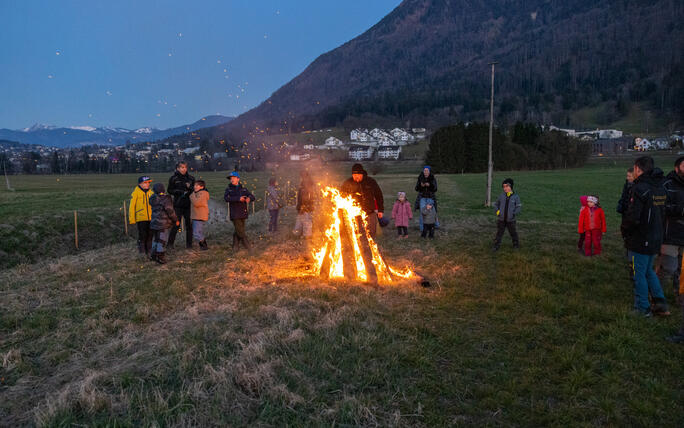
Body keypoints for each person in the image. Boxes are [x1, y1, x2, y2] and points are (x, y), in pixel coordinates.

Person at [621, 156, 669, 316]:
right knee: (648, 271)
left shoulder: (641, 188)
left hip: (641, 239)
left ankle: (643, 308)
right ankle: (660, 303)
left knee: (638, 273)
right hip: (656, 237)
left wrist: (625, 230)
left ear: (637, 168)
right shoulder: (660, 187)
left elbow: (634, 216)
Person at [658, 156, 684, 297]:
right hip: (670, 234)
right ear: (676, 168)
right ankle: (656, 296)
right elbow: (661, 207)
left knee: (683, 270)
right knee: (668, 268)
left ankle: (680, 295)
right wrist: (680, 210)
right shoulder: (666, 184)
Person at [340, 163, 384, 238]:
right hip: (355, 214)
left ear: (362, 174)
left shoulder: (370, 182)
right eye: (354, 175)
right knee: (357, 234)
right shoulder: (347, 183)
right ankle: (358, 249)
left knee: (371, 234)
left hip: (369, 212)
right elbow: (341, 197)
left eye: (358, 175)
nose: (356, 177)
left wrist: (380, 210)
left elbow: (378, 195)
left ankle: (370, 248)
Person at [223, 171, 255, 251]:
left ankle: (235, 246)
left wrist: (249, 198)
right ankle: (248, 247)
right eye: (230, 178)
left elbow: (252, 196)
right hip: (235, 213)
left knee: (239, 230)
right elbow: (226, 198)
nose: (232, 179)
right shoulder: (229, 189)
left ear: (238, 179)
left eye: (233, 178)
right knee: (240, 231)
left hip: (243, 212)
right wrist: (238, 199)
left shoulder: (244, 189)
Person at [167, 161, 195, 249]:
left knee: (189, 225)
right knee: (176, 224)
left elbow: (194, 190)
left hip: (188, 204)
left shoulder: (191, 178)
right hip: (178, 204)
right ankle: (170, 244)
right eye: (182, 167)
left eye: (185, 167)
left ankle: (189, 245)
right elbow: (169, 190)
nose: (184, 169)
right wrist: (178, 192)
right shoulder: (173, 178)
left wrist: (189, 188)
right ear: (178, 168)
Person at [149, 183, 179, 264]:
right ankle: (160, 256)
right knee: (162, 240)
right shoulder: (166, 199)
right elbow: (170, 211)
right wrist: (175, 220)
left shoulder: (152, 198)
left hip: (154, 223)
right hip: (163, 223)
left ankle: (153, 255)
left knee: (156, 239)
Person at [493, 178, 521, 251]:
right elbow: (496, 204)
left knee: (513, 233)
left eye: (507, 186)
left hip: (511, 220)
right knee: (499, 233)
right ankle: (496, 245)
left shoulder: (516, 197)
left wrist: (513, 214)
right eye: (504, 186)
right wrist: (497, 212)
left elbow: (518, 207)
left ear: (511, 186)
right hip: (501, 219)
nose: (505, 188)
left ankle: (516, 245)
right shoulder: (501, 196)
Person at [129, 176, 153, 256]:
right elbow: (132, 207)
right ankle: (142, 251)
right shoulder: (136, 193)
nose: (147, 184)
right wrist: (132, 219)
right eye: (145, 183)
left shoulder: (151, 193)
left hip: (151, 218)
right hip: (141, 218)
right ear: (140, 184)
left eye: (148, 182)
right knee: (142, 235)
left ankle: (149, 250)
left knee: (150, 234)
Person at [415, 166, 439, 232]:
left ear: (429, 171)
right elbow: (416, 188)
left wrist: (430, 185)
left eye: (427, 171)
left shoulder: (432, 178)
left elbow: (435, 189)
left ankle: (436, 225)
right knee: (422, 212)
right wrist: (420, 185)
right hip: (422, 198)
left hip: (430, 198)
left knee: (432, 212)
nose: (426, 172)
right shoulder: (420, 178)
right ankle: (422, 228)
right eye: (424, 170)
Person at [294, 171, 316, 239]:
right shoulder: (307, 183)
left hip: (306, 206)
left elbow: (305, 196)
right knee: (303, 219)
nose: (301, 177)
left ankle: (306, 235)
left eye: (302, 176)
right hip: (306, 206)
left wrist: (303, 206)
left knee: (306, 220)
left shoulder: (306, 184)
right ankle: (299, 234)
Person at [189, 180, 210, 251]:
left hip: (199, 216)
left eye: (197, 185)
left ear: (202, 187)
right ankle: (203, 247)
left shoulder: (202, 194)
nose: (195, 187)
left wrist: (191, 194)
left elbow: (196, 203)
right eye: (194, 185)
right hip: (198, 216)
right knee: (199, 232)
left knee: (196, 233)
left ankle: (204, 245)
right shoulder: (199, 193)